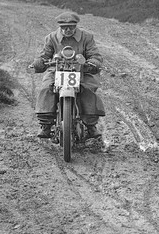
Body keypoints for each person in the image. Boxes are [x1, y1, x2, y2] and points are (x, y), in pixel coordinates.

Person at [32, 11, 105, 139]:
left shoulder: (86, 37)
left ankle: (91, 125)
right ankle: (46, 124)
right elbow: (44, 55)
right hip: (57, 70)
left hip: (81, 70)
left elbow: (95, 54)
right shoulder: (52, 37)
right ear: (59, 27)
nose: (67, 30)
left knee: (87, 89)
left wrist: (93, 62)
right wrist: (39, 62)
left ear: (76, 25)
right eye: (64, 27)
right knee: (46, 88)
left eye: (71, 26)